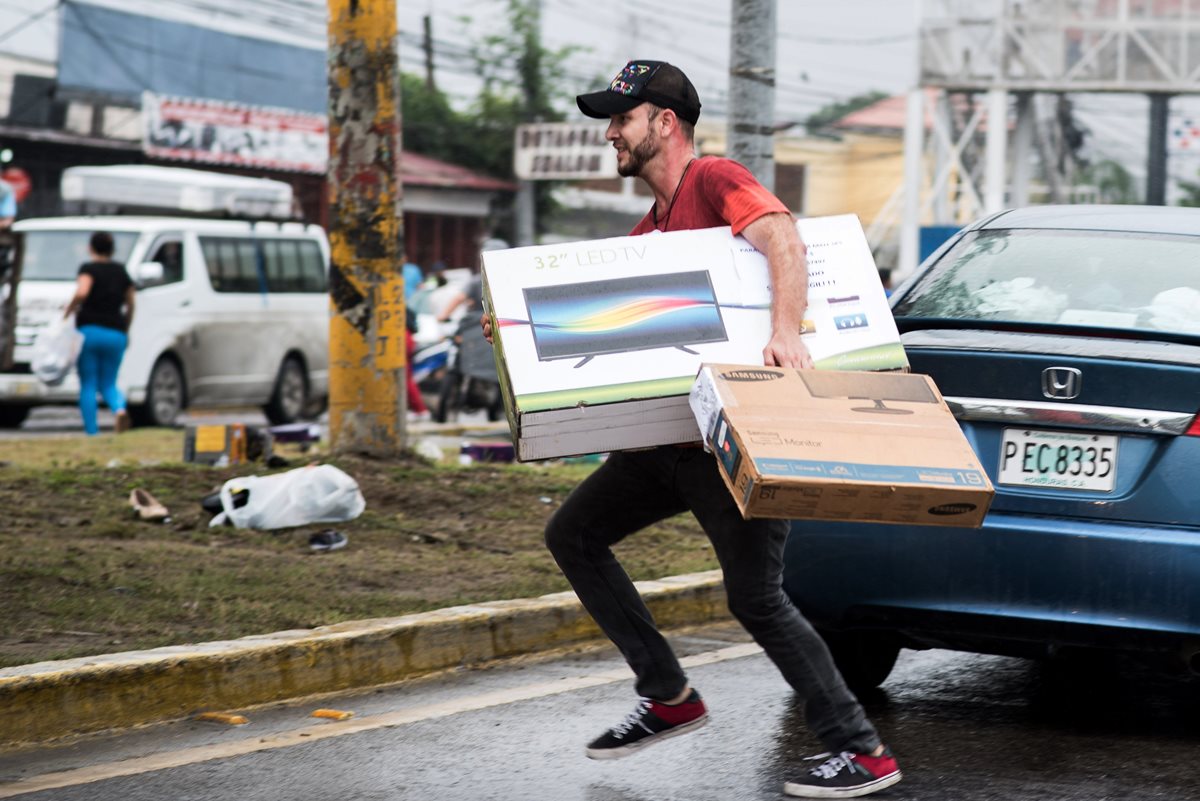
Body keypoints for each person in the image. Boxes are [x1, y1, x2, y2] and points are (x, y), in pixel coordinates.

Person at [483, 60, 901, 798]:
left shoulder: (713, 179)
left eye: (621, 117)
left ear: (664, 123)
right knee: (572, 534)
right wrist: (512, 332)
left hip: (733, 440)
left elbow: (781, 235)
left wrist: (784, 334)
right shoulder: (653, 229)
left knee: (756, 598)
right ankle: (669, 693)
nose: (611, 132)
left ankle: (861, 749)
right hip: (667, 445)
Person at [63, 232, 135, 435]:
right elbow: (131, 304)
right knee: (109, 383)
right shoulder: (121, 271)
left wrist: (67, 312)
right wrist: (126, 328)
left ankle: (92, 432)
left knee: (88, 383)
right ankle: (119, 410)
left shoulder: (88, 269)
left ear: (90, 247)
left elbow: (82, 292)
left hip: (89, 332)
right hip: (116, 333)